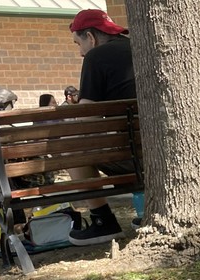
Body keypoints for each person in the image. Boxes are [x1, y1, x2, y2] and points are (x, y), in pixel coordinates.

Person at [66, 9, 136, 245]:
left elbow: (87, 121)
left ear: (91, 37)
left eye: (79, 44)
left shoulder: (97, 57)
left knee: (70, 150)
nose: (80, 53)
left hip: (135, 157)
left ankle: (102, 222)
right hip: (166, 151)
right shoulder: (140, 47)